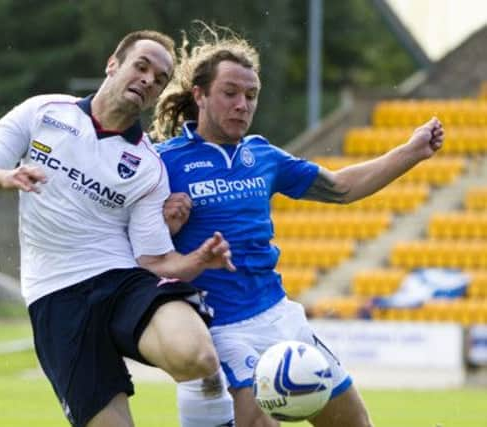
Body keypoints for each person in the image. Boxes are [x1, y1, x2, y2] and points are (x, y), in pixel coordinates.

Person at [151, 23, 445, 427]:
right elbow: (136, 242)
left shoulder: (263, 156)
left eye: (251, 96)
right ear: (199, 95)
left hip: (282, 317)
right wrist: (165, 223)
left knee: (355, 422)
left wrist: (411, 152)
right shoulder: (162, 162)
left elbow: (340, 187)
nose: (242, 104)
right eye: (230, 93)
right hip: (224, 327)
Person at [0, 29, 237, 427]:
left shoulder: (149, 167)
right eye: (141, 66)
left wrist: (198, 260)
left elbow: (155, 260)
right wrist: (3, 177)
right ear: (112, 64)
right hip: (56, 296)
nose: (149, 79)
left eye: (160, 78)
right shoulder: (43, 112)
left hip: (121, 281)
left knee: (197, 354)